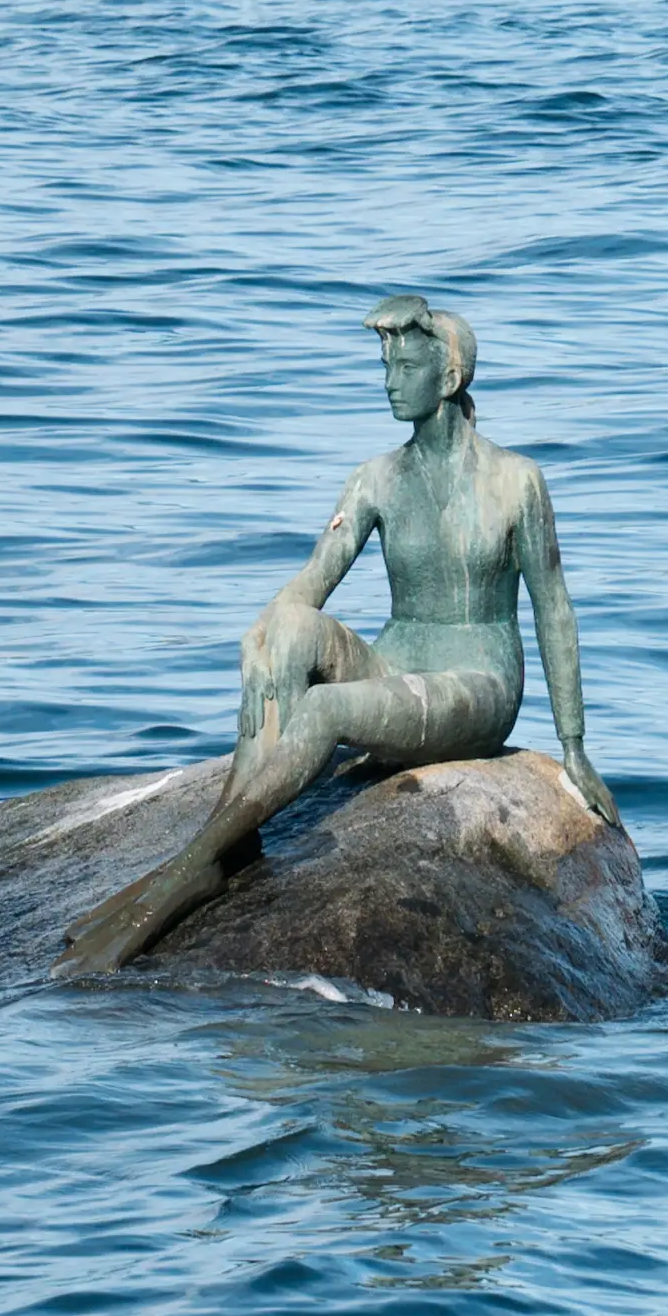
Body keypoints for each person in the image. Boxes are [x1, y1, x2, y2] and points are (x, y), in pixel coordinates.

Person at [57, 294, 618, 976]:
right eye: (384, 365)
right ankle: (232, 846)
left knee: (321, 710)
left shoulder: (516, 481)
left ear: (447, 379)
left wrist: (574, 746)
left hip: (478, 682)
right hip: (397, 665)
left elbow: (553, 607)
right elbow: (312, 580)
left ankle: (190, 869)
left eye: (405, 366)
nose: (388, 380)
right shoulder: (375, 478)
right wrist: (266, 631)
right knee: (285, 634)